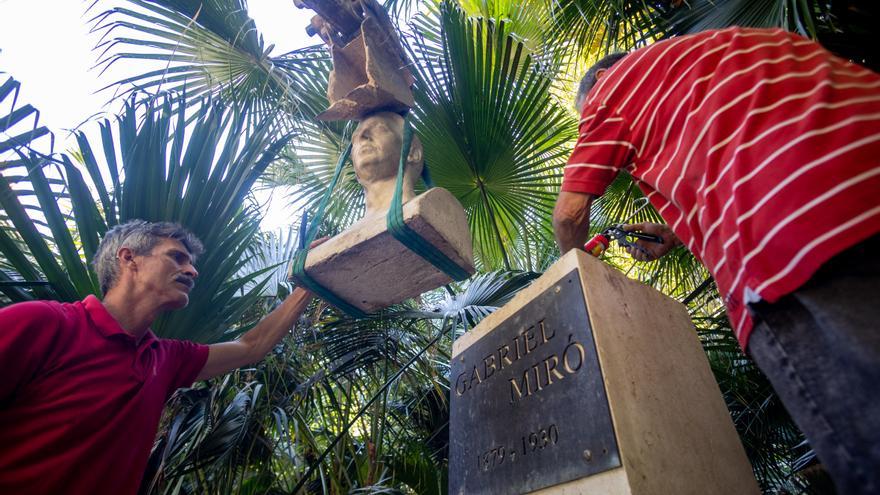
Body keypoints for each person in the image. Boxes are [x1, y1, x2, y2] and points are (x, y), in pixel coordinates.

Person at [552, 26, 880, 494]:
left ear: (601, 76)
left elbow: (568, 216)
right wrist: (678, 234)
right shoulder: (736, 40)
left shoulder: (613, 87)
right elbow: (752, 136)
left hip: (796, 247)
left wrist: (576, 279)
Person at [0, 220, 321, 494]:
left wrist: (309, 282)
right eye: (177, 257)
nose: (192, 271)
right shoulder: (45, 323)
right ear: (129, 258)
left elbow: (253, 345)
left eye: (191, 262)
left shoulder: (164, 359)